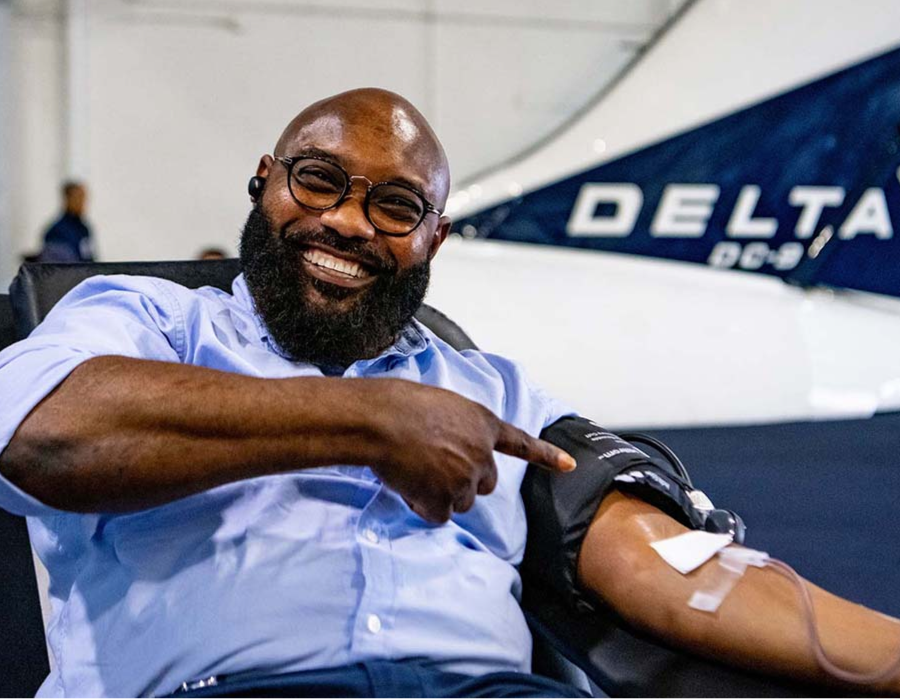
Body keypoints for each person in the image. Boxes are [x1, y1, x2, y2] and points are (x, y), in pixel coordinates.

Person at [0, 89, 897, 700]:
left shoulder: (488, 387)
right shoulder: (146, 322)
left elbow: (659, 564)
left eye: (395, 206)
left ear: (433, 239)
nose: (348, 221)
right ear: (263, 182)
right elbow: (41, 433)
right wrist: (364, 422)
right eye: (317, 181)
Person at [37, 181, 95, 263]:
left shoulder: (83, 229)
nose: (82, 203)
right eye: (78, 198)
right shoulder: (57, 231)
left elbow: (89, 258)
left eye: (83, 199)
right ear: (68, 199)